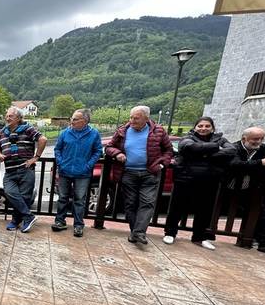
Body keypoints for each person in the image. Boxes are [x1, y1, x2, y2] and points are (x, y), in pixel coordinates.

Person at [162, 117, 236, 249]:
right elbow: (188, 147)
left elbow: (231, 151)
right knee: (177, 207)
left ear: (212, 128)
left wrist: (202, 153)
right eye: (200, 126)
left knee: (205, 210)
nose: (203, 128)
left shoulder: (221, 139)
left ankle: (199, 237)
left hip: (210, 180)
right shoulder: (188, 137)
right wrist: (215, 148)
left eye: (207, 126)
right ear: (195, 127)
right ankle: (170, 233)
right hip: (185, 179)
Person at [105, 105, 173, 244]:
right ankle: (135, 232)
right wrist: (117, 153)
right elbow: (109, 147)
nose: (132, 120)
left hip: (150, 173)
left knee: (147, 203)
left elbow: (168, 151)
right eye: (131, 117)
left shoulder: (159, 131)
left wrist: (161, 164)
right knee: (130, 203)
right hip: (128, 172)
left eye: (136, 118)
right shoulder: (123, 130)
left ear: (146, 118)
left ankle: (139, 232)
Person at [228, 127, 265, 258]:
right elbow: (234, 165)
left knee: (262, 213)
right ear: (244, 139)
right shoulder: (234, 147)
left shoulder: (264, 148)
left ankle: (264, 243)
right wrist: (260, 163)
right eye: (255, 139)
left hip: (252, 189)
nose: (259, 142)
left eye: (261, 138)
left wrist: (251, 166)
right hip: (229, 188)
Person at [0, 107, 47, 233]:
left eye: (11, 116)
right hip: (10, 171)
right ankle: (29, 217)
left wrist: (36, 157)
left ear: (18, 118)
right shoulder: (3, 132)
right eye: (7, 116)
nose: (7, 118)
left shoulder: (28, 129)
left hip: (25, 169)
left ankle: (15, 221)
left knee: (24, 197)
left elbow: (43, 139)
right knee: (10, 193)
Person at [52, 109, 102, 237]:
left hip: (83, 173)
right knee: (62, 198)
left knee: (80, 200)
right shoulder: (65, 133)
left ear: (84, 121)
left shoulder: (94, 134)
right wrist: (61, 163)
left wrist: (88, 165)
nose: (71, 121)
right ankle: (59, 221)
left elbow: (98, 151)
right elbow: (57, 149)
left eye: (75, 119)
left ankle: (78, 225)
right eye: (72, 118)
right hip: (65, 171)